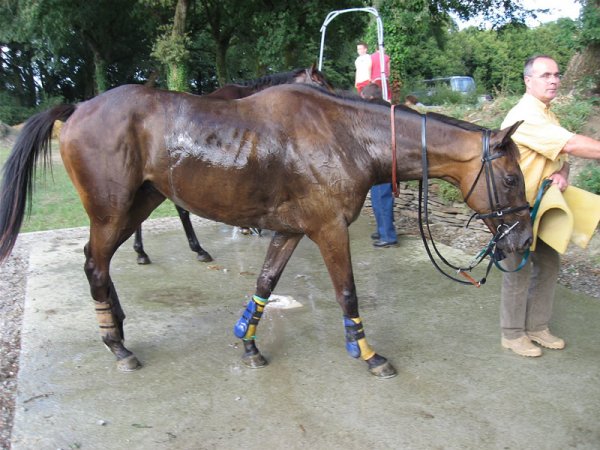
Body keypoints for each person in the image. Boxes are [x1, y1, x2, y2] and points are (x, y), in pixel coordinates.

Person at [499, 54, 600, 357]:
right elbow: (570, 144)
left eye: (556, 74)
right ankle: (512, 334)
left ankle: (537, 327)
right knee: (517, 270)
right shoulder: (525, 115)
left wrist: (562, 174)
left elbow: (563, 157)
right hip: (516, 209)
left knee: (549, 264)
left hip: (542, 208)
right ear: (528, 81)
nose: (554, 80)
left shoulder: (547, 114)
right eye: (545, 75)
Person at [360, 83, 399, 248]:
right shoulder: (387, 110)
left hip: (383, 162)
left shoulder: (376, 112)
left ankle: (388, 236)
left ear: (369, 97)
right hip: (385, 161)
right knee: (379, 198)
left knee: (381, 199)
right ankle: (382, 230)